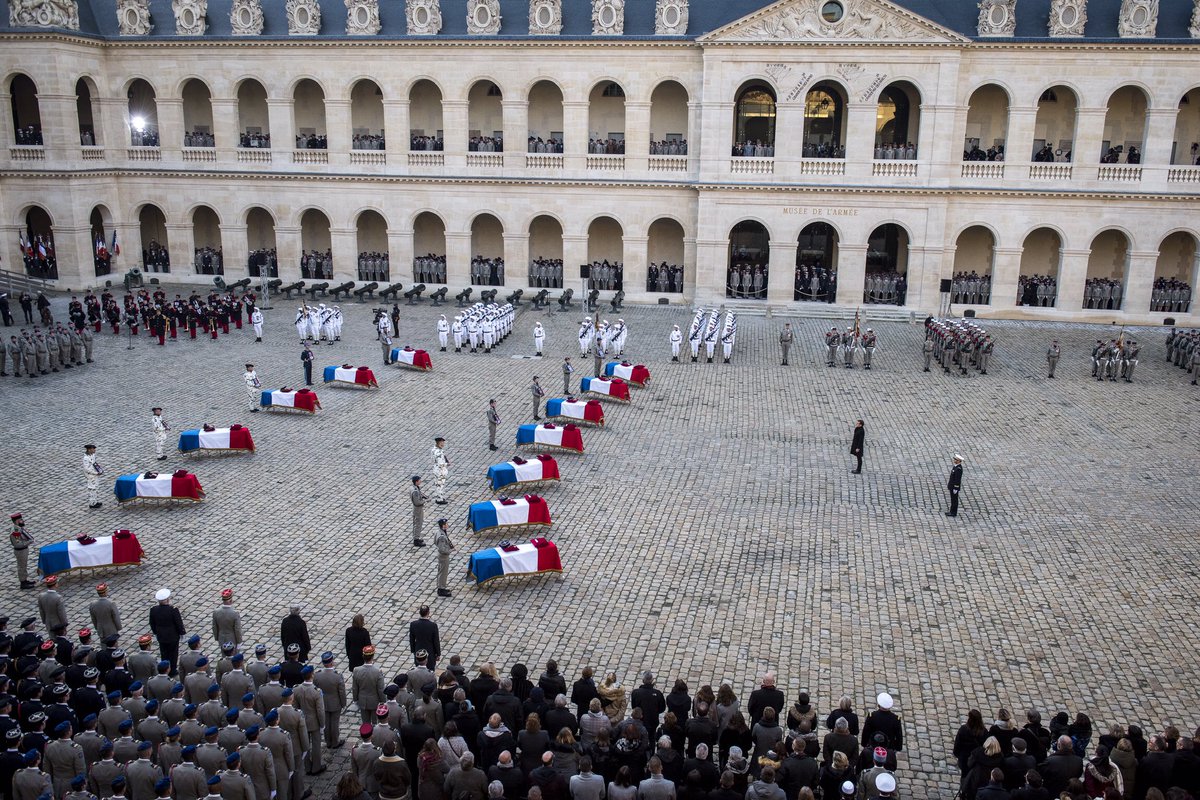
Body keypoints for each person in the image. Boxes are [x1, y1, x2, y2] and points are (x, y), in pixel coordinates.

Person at [150, 588, 186, 675]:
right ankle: (172, 669)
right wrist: (182, 632)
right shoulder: (173, 610)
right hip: (172, 636)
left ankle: (164, 668)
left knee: (164, 653)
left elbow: (152, 623)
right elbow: (178, 623)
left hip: (161, 636)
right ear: (167, 600)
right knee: (173, 654)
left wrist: (156, 632)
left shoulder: (154, 610)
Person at [409, 606, 440, 671]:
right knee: (430, 670)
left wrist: (413, 650)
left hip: (418, 651)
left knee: (419, 669)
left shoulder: (413, 624)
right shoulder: (433, 625)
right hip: (430, 652)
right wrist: (438, 653)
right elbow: (436, 641)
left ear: (419, 613)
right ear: (428, 613)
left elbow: (411, 639)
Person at [9, 512, 35, 589]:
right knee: (21, 567)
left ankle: (25, 580)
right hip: (20, 551)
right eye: (21, 519)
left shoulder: (18, 528)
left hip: (23, 550)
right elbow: (18, 544)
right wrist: (29, 542)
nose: (22, 521)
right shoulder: (16, 531)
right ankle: (23, 583)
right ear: (17, 521)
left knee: (24, 566)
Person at [434, 519, 455, 598]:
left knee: (441, 572)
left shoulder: (439, 532)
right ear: (443, 525)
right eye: (446, 524)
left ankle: (441, 586)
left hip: (441, 556)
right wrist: (450, 551)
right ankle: (441, 589)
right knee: (443, 573)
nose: (447, 525)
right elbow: (442, 549)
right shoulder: (442, 537)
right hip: (443, 556)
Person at [83, 444, 105, 509]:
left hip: (95, 475)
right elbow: (86, 469)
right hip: (91, 476)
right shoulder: (86, 458)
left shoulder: (93, 455)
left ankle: (95, 501)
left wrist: (99, 470)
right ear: (89, 449)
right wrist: (95, 473)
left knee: (96, 488)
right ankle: (92, 504)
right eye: (93, 449)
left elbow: (94, 464)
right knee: (92, 489)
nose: (94, 450)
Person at [432, 437, 450, 505]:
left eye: (443, 443)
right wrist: (447, 464)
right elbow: (440, 464)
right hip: (440, 471)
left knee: (438, 484)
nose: (443, 444)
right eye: (441, 443)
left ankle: (439, 497)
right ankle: (440, 499)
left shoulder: (434, 449)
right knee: (440, 485)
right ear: (438, 443)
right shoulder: (438, 452)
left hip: (436, 469)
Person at [411, 476, 428, 547]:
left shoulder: (414, 488)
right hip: (418, 509)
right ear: (416, 481)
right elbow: (417, 502)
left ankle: (416, 537)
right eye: (419, 480)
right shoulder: (415, 491)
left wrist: (423, 496)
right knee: (418, 523)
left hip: (416, 508)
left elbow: (419, 494)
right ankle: (416, 540)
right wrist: (424, 501)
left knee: (417, 523)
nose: (420, 481)